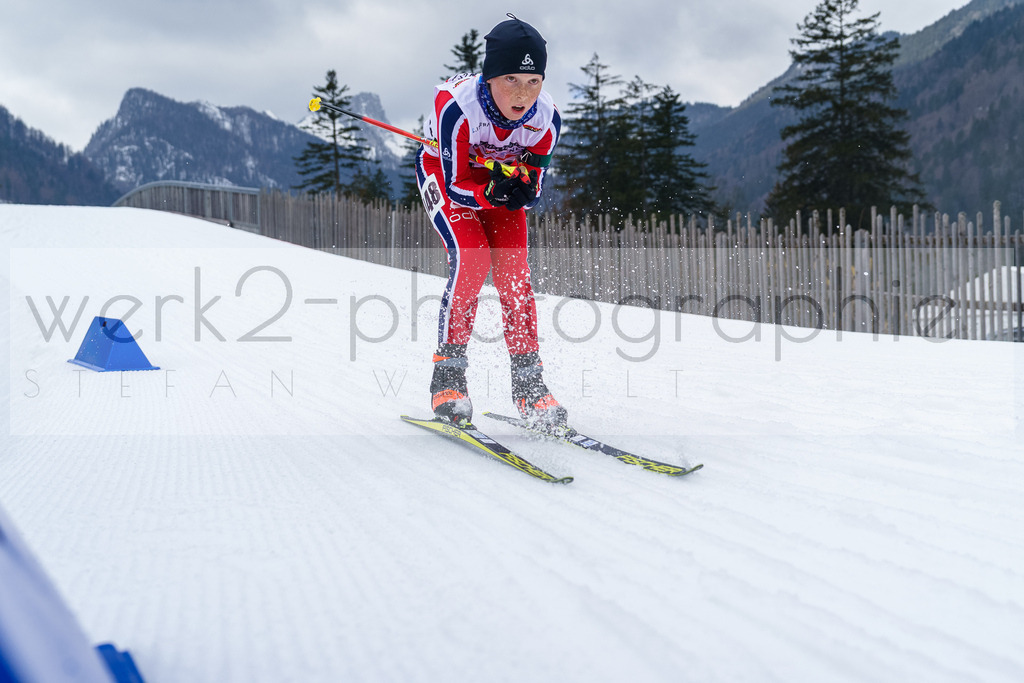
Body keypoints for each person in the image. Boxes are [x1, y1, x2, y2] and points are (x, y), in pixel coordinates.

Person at [415, 14, 566, 428]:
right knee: (473, 259)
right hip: (449, 177)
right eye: (512, 80)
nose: (524, 94)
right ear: (490, 76)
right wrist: (489, 193)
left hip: (496, 180)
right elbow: (456, 184)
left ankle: (529, 386)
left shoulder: (546, 119)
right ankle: (447, 378)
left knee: (515, 273)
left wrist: (524, 192)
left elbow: (534, 186)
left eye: (534, 81)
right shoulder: (456, 108)